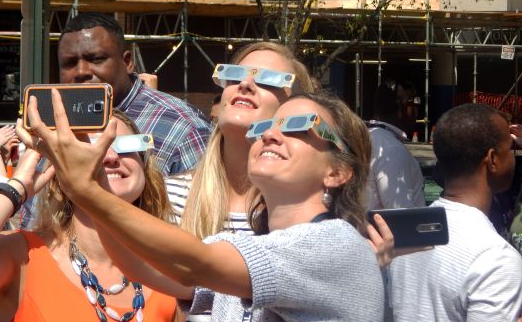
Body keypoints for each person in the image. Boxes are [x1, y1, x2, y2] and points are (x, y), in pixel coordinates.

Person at [22, 89, 385, 321]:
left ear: (338, 172)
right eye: (267, 126)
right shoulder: (249, 249)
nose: (271, 133)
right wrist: (91, 188)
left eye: (299, 126)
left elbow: (192, 264)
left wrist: (86, 190)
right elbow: (152, 267)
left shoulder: (338, 245)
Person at [0, 110, 181, 322]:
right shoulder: (24, 256)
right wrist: (15, 190)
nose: (112, 156)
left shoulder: (171, 264)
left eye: (126, 146)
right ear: (60, 172)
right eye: (93, 148)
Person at [167, 42, 315, 240]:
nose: (245, 84)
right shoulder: (166, 197)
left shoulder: (310, 218)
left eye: (268, 80)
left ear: (294, 109)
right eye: (235, 75)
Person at [388, 103, 522, 321]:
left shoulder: (409, 237)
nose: (515, 157)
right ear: (493, 160)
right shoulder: (496, 258)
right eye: (511, 149)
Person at [58, 12, 211, 175]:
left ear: (128, 62)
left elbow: (204, 200)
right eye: (69, 63)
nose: (81, 71)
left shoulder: (184, 128)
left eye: (96, 59)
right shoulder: (50, 127)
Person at [367, 82, 425, 209]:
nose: (417, 109)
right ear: (402, 105)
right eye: (414, 102)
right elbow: (400, 214)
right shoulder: (392, 150)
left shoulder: (365, 138)